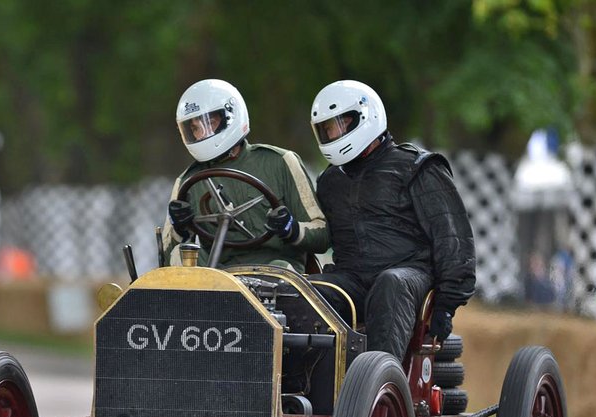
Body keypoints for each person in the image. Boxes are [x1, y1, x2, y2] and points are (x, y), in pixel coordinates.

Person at [307, 80, 475, 361]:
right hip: (352, 279)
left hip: (409, 276)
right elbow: (319, 233)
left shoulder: (418, 167)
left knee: (390, 284)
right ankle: (296, 391)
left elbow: (452, 237)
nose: (330, 134)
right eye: (325, 129)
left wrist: (447, 304)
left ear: (363, 118)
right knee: (308, 293)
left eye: (336, 125)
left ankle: (378, 386)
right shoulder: (329, 181)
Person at [162, 79, 328, 270]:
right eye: (194, 129)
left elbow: (322, 234)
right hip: (219, 274)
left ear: (230, 116)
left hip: (277, 271)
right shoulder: (187, 181)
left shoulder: (280, 161)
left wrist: (291, 228)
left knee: (277, 271)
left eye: (209, 123)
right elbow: (168, 260)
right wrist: (179, 228)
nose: (200, 136)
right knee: (180, 256)